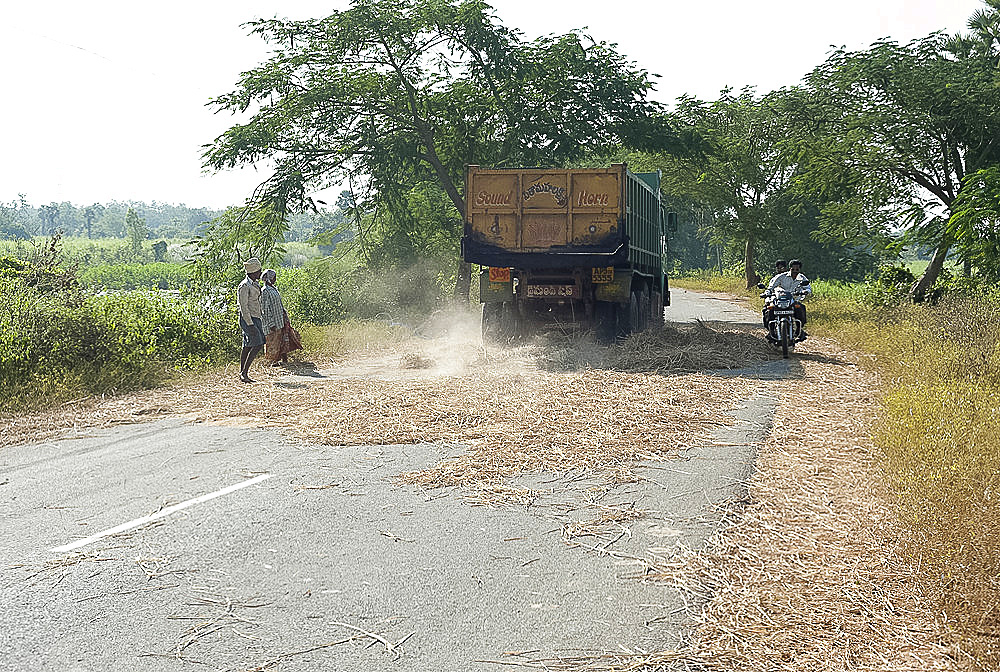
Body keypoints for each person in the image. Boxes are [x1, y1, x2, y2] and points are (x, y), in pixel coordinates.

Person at [765, 258, 812, 341]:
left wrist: (805, 291)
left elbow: (808, 288)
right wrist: (767, 293)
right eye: (793, 269)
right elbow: (771, 287)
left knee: (801, 308)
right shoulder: (781, 277)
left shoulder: (802, 278)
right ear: (789, 268)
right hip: (779, 300)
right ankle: (770, 331)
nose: (795, 271)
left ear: (799, 269)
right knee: (769, 310)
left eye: (797, 269)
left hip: (793, 301)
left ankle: (799, 330)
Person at [237, 257, 265, 382]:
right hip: (248, 318)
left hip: (256, 317)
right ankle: (244, 373)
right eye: (259, 271)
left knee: (248, 345)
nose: (260, 273)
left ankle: (242, 373)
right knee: (258, 343)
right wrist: (250, 324)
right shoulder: (244, 286)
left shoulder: (254, 284)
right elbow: (243, 307)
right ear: (253, 272)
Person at [260, 268, 289, 366]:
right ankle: (270, 362)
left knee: (278, 341)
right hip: (271, 323)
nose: (275, 279)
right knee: (271, 342)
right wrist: (271, 323)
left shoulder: (273, 289)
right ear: (269, 278)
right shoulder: (265, 291)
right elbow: (265, 309)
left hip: (279, 321)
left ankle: (277, 360)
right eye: (274, 277)